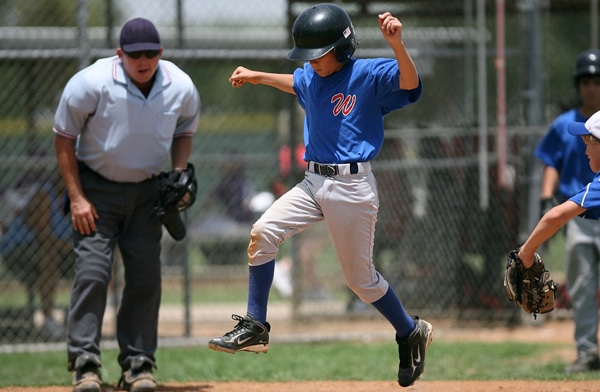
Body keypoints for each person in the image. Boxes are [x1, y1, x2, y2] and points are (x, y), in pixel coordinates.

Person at [207, 4, 432, 388]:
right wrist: (256, 76)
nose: (311, 63)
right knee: (262, 233)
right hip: (312, 183)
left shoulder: (367, 73)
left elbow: (409, 84)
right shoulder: (311, 78)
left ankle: (409, 329)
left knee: (360, 280)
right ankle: (256, 324)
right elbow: (292, 81)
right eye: (307, 57)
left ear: (342, 49)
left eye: (319, 55)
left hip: (353, 187)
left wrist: (397, 45)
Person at [52, 17, 200, 392]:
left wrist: (178, 173)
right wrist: (77, 197)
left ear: (161, 53)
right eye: (135, 54)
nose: (143, 59)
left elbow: (185, 130)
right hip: (96, 192)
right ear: (120, 54)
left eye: (151, 52)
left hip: (148, 193)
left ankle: (138, 364)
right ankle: (85, 363)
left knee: (145, 277)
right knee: (93, 273)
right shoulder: (91, 83)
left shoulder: (179, 86)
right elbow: (64, 138)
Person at [534, 49, 600, 373]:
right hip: (578, 214)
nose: (591, 87)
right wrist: (547, 198)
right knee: (583, 285)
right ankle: (587, 351)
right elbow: (552, 162)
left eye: (597, 81)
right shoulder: (565, 124)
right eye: (586, 81)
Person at [0, 166, 73, 341]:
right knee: (49, 252)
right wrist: (74, 246)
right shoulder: (44, 196)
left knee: (95, 252)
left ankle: (78, 313)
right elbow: (45, 239)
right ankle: (47, 318)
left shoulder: (75, 199)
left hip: (61, 250)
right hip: (19, 252)